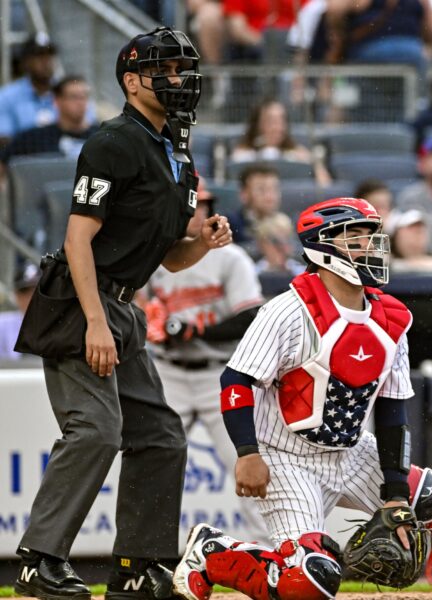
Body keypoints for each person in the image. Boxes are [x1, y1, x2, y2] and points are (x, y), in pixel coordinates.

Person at [169, 197, 432, 600]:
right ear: (323, 245)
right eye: (355, 236)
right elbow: (236, 381)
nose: (371, 244)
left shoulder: (390, 317)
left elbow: (393, 409)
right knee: (310, 581)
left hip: (352, 451)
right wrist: (247, 453)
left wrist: (394, 494)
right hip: (285, 456)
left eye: (372, 234)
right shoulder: (287, 310)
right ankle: (216, 553)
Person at [12, 26, 235, 600]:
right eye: (166, 70)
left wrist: (203, 243)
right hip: (78, 302)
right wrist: (92, 321)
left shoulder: (177, 153)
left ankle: (138, 565)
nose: (179, 80)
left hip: (121, 308)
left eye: (183, 69)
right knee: (96, 429)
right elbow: (78, 239)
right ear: (133, 82)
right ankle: (40, 560)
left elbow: (171, 260)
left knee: (161, 436)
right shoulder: (114, 141)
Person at [145, 184, 269, 542]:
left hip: (220, 373)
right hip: (169, 374)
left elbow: (250, 318)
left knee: (248, 464)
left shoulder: (231, 258)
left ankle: (273, 551)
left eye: (204, 206)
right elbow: (143, 307)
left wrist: (192, 328)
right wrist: (150, 320)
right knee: (154, 466)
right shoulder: (157, 257)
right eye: (192, 205)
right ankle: (148, 556)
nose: (198, 213)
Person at [230, 99, 331, 186]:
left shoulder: (299, 154)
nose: (278, 127)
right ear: (258, 124)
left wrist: (314, 164)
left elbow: (325, 185)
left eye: (282, 120)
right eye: (271, 121)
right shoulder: (243, 155)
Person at [0, 76, 97, 166]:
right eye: (74, 97)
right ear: (57, 101)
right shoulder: (36, 138)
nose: (80, 103)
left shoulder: (102, 137)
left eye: (84, 97)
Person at [0, 33, 58, 145]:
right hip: (24, 160)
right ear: (25, 62)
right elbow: (3, 140)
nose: (46, 61)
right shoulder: (6, 97)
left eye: (50, 55)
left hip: (64, 161)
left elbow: (86, 132)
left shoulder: (69, 93)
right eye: (39, 56)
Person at [229, 163, 283, 249]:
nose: (270, 197)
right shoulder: (231, 226)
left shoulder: (289, 223)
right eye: (261, 190)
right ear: (244, 194)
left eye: (274, 189)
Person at [386, 209, 432, 274]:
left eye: (422, 229)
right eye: (411, 229)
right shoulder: (386, 265)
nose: (418, 234)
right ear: (395, 236)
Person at [0, 263, 39, 361]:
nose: (31, 297)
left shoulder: (62, 325)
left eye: (38, 290)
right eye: (25, 291)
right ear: (15, 295)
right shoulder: (2, 324)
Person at [254, 212, 305, 277]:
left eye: (287, 240)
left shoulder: (302, 274)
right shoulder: (252, 274)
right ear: (262, 244)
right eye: (275, 242)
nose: (282, 247)